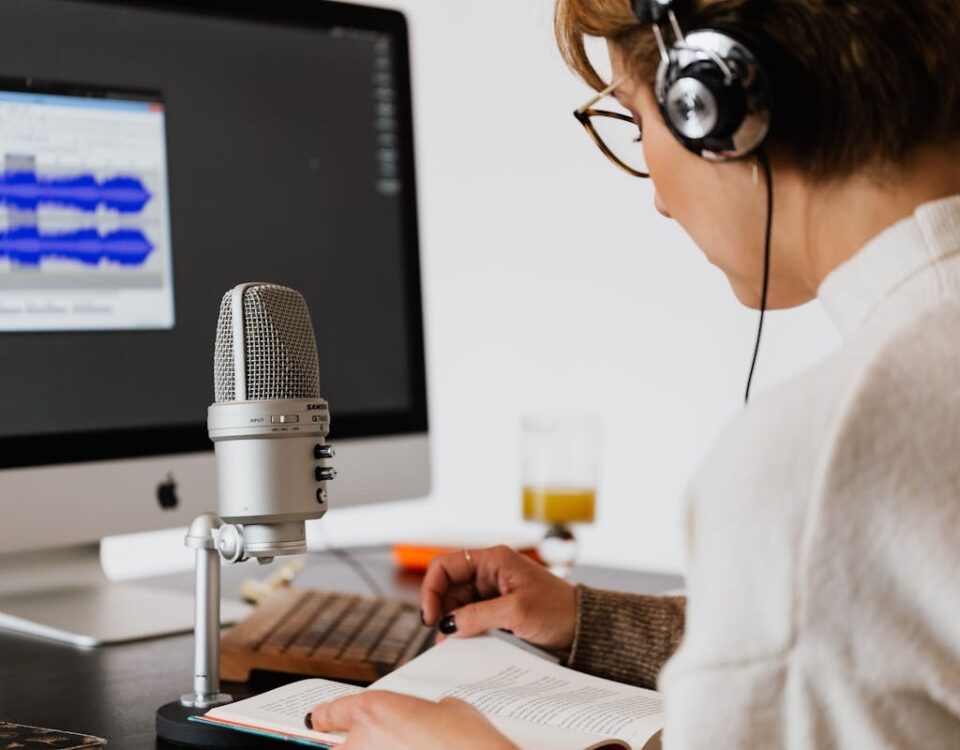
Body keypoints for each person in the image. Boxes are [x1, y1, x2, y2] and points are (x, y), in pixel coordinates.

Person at [307, 0, 960, 747]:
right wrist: (594, 622)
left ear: (715, 103)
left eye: (635, 119)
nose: (656, 198)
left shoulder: (825, 459)